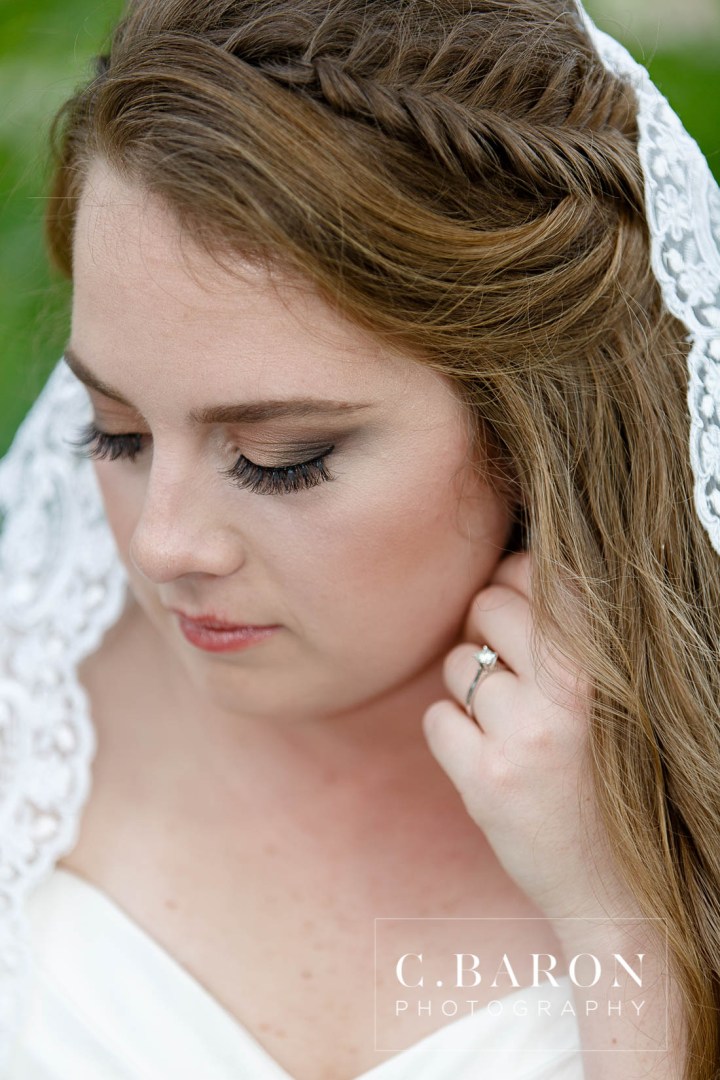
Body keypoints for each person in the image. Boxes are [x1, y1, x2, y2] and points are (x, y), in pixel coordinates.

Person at [0, 0, 718, 1076]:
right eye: (116, 433)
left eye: (281, 456)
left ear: (536, 428)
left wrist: (628, 934)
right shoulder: (27, 702)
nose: (161, 546)